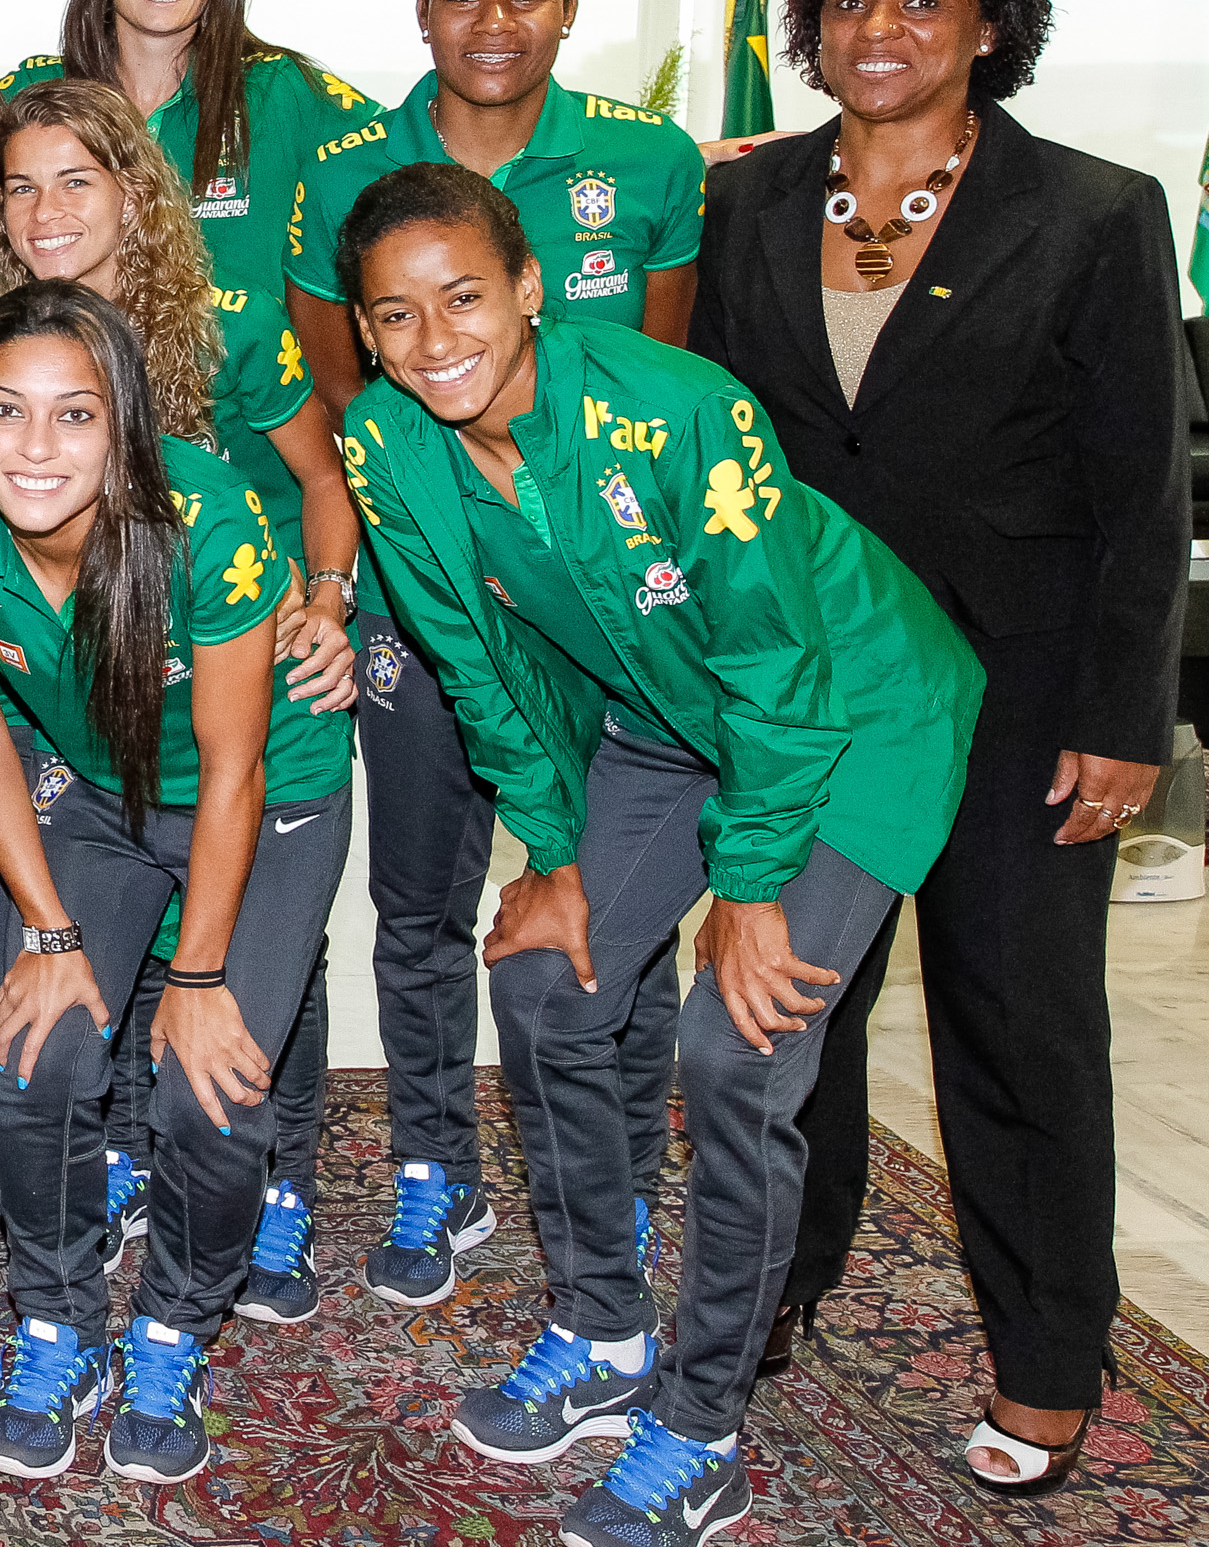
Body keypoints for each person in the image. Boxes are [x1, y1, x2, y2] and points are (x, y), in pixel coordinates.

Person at [336, 161, 978, 1547]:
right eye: (393, 315)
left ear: (528, 286)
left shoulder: (681, 412)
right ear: (365, 331)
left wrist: (747, 888)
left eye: (462, 296)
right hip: (662, 713)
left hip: (843, 715)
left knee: (734, 1051)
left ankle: (701, 1422)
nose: (434, 339)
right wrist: (553, 848)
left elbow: (775, 665)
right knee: (546, 977)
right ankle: (600, 1326)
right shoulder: (382, 440)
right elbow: (474, 662)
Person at [692, 0, 1184, 1493]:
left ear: (989, 29)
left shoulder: (1096, 213)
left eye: (918, 5)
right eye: (848, 4)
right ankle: (779, 1279)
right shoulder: (752, 203)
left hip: (1022, 701)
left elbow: (1138, 493)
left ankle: (1048, 1354)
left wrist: (1126, 716)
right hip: (820, 694)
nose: (878, 33)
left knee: (1018, 1025)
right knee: (797, 1019)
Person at [281, 0, 707, 1309]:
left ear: (571, 7)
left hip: (607, 615)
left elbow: (656, 378)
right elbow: (348, 381)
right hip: (424, 586)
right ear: (420, 11)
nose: (493, 19)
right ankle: (433, 1167)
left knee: (609, 894)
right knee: (418, 897)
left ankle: (621, 1185)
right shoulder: (346, 163)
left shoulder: (645, 159)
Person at [0, 281, 353, 1486]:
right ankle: (59, 1323)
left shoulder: (207, 515)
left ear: (125, 427)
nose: (35, 449)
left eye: (75, 415)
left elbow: (237, 764)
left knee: (210, 1089)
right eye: (5, 411)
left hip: (261, 800)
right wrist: (47, 934)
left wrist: (192, 976)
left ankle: (171, 1327)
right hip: (92, 795)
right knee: (36, 1053)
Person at [0, 78, 359, 1320]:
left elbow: (322, 473)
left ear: (134, 193)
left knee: (252, 967)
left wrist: (325, 599)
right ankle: (140, 1159)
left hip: (242, 669)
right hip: (89, 707)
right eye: (20, 186)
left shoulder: (230, 320)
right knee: (96, 967)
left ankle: (270, 1187)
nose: (44, 210)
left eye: (75, 181)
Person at [0, 0, 377, 300]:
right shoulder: (36, 94)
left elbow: (410, 167)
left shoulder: (280, 90)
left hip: (241, 371)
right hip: (71, 364)